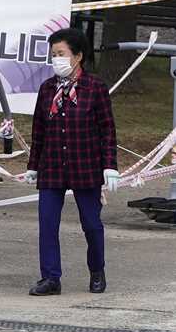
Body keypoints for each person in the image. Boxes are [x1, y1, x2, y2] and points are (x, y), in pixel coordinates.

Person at [25, 27, 118, 296]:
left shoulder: (95, 88)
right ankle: (50, 278)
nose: (56, 59)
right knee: (47, 223)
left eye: (61, 53)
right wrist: (33, 166)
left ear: (77, 56)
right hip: (52, 166)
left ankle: (97, 270)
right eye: (53, 54)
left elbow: (107, 130)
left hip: (85, 166)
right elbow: (38, 131)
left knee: (91, 224)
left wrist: (109, 165)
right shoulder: (47, 89)